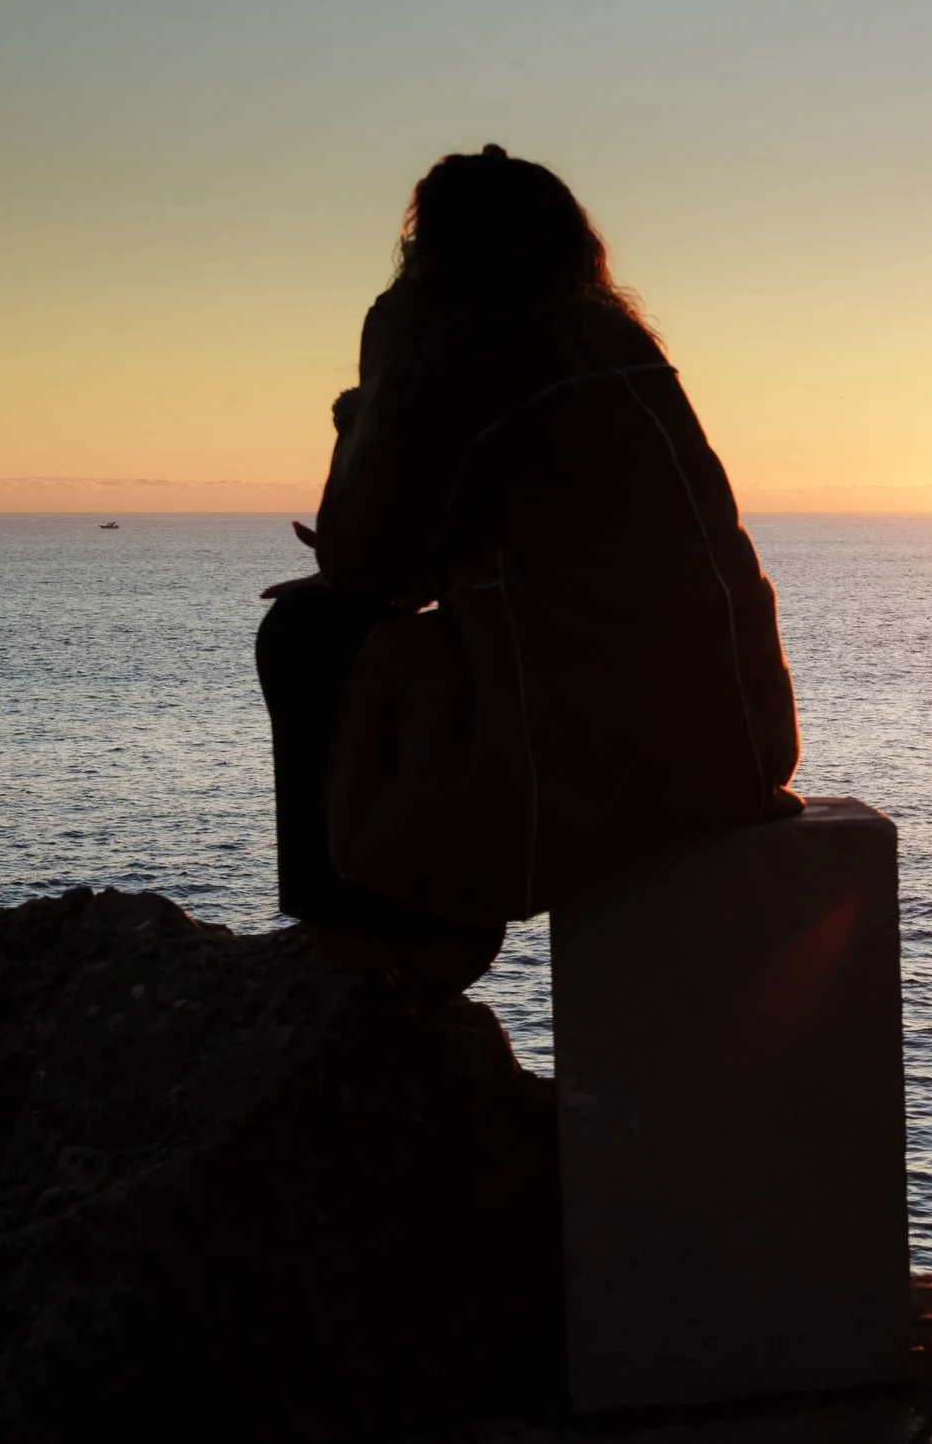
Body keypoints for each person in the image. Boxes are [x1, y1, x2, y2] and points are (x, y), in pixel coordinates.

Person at [256, 145, 801, 997]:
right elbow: (564, 549)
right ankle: (419, 912)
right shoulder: (618, 346)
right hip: (737, 739)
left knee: (308, 633)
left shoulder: (468, 357)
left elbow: (359, 553)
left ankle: (385, 927)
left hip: (593, 757)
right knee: (365, 629)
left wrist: (374, 385)